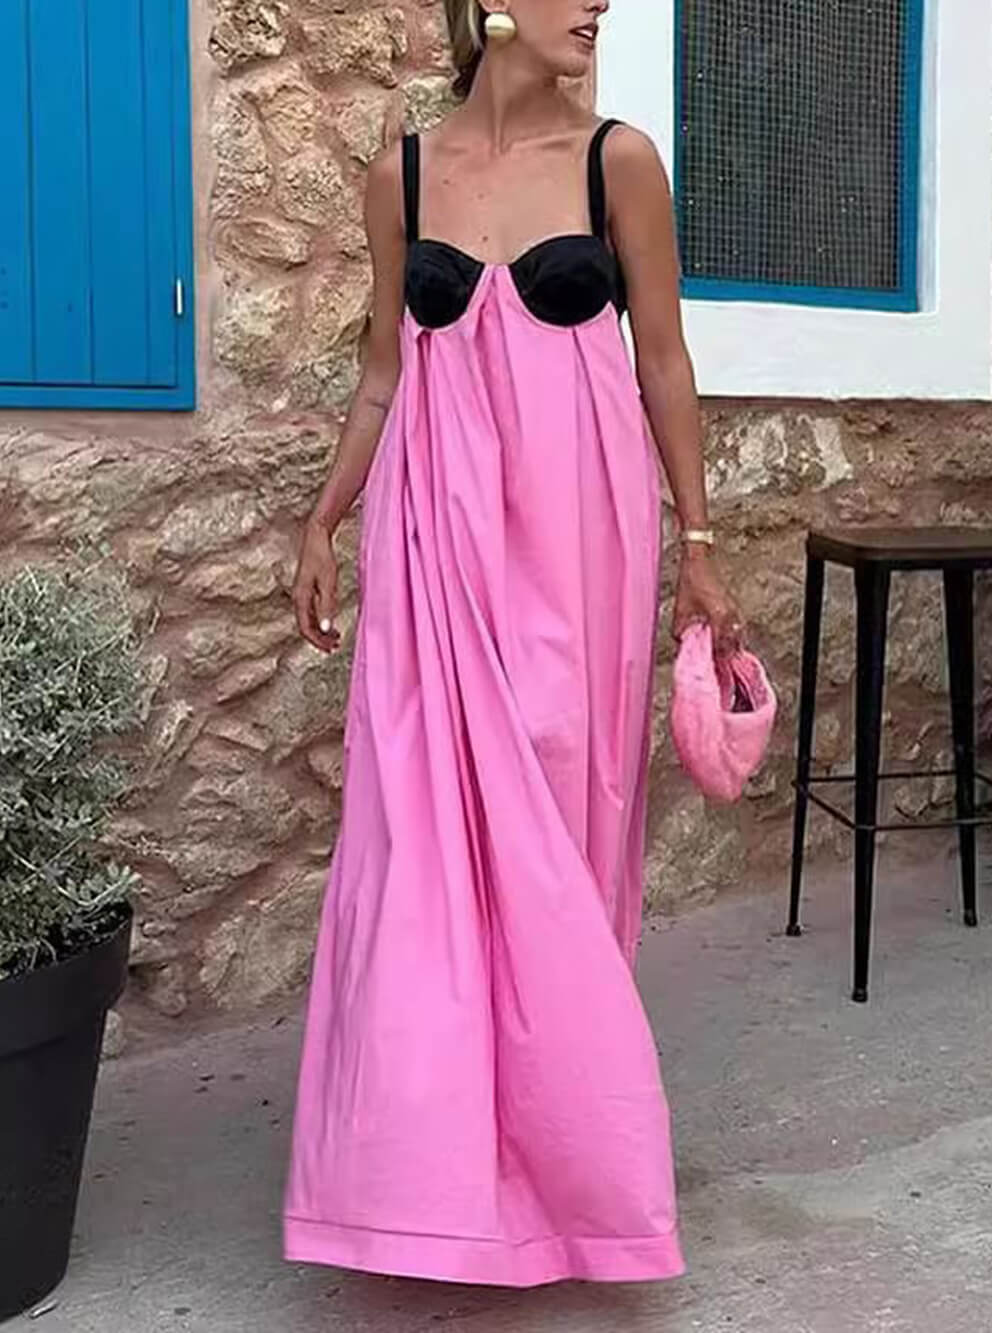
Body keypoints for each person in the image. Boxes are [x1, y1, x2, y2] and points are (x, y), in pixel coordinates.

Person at [285, 0, 741, 1289]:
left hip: (580, 537)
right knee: (419, 835)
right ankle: (428, 1182)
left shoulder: (618, 162)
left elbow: (663, 361)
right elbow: (383, 370)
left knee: (561, 823)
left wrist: (700, 541)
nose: (599, 4)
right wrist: (324, 519)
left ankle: (565, 1174)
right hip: (434, 538)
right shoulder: (400, 173)